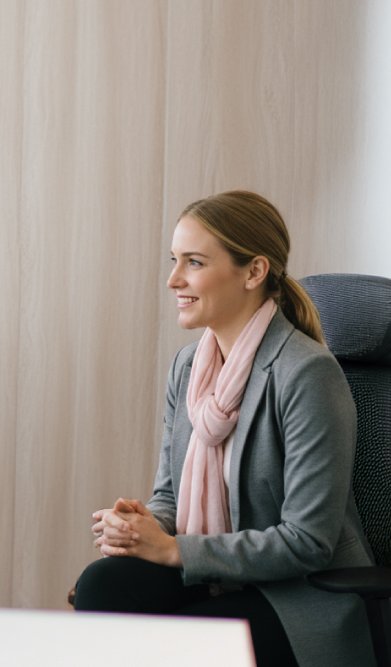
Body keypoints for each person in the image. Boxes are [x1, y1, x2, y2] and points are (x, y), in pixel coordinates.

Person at [73, 191, 375, 667]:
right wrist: (141, 527)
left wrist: (172, 550)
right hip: (216, 575)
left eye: (193, 262)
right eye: (174, 260)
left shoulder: (307, 373)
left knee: (172, 644)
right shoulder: (189, 367)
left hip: (297, 593)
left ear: (254, 272)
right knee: (103, 584)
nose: (174, 279)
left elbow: (308, 541)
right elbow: (169, 497)